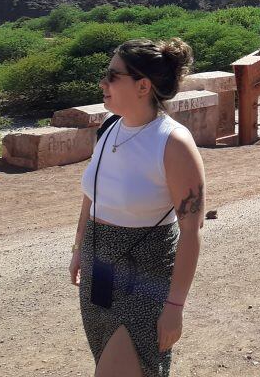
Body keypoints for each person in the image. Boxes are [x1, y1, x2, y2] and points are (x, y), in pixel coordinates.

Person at [71, 38, 206, 377]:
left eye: (112, 76)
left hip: (142, 277)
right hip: (97, 269)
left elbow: (192, 230)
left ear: (143, 85)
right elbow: (93, 195)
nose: (103, 83)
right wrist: (78, 248)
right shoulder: (109, 127)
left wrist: (175, 306)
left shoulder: (172, 142)